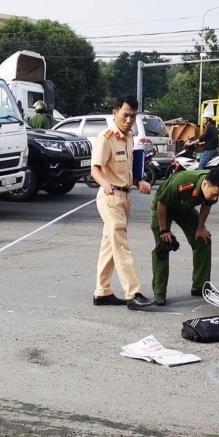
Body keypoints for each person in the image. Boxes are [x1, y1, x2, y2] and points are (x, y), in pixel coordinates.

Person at [91, 95, 154, 310]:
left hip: (124, 196)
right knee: (121, 244)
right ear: (115, 112)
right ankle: (133, 293)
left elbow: (129, 168)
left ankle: (102, 292)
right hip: (109, 198)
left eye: (133, 116)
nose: (129, 120)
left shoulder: (128, 137)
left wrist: (139, 181)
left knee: (110, 244)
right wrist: (105, 184)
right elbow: (95, 169)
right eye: (125, 115)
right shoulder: (106, 138)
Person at [149, 166, 219, 306]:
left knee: (203, 240)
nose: (215, 198)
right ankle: (159, 291)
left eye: (218, 195)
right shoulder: (183, 182)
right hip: (163, 208)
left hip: (185, 209)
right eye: (214, 194)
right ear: (205, 184)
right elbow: (162, 203)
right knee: (162, 247)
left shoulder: (212, 188)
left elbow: (207, 205)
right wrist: (164, 231)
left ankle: (200, 286)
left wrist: (200, 228)